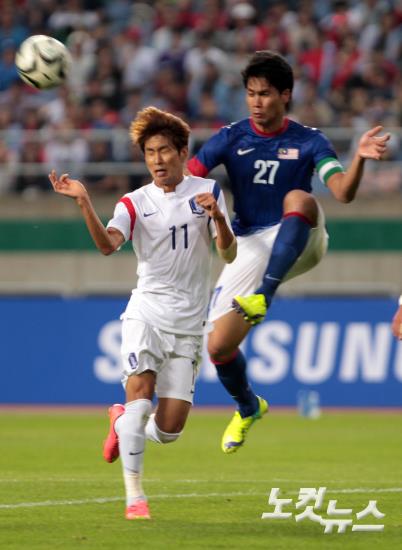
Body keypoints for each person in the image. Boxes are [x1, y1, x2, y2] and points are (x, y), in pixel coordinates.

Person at [187, 50, 390, 454]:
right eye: (251, 94)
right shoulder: (230, 137)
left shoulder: (310, 140)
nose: (256, 102)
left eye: (265, 94)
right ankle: (248, 406)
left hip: (302, 236)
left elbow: (342, 192)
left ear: (285, 95)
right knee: (218, 347)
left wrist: (358, 160)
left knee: (299, 197)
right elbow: (188, 178)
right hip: (249, 244)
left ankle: (264, 295)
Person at [49, 106, 236, 520]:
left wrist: (219, 219)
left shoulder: (208, 192)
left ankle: (119, 424)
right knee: (139, 401)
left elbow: (229, 253)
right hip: (146, 314)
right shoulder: (134, 202)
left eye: (164, 150)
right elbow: (107, 245)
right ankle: (135, 497)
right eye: (150, 152)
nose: (157, 160)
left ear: (182, 152)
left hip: (189, 324)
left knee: (169, 431)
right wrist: (84, 202)